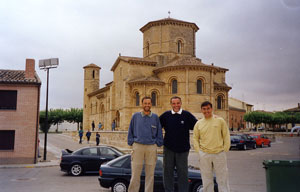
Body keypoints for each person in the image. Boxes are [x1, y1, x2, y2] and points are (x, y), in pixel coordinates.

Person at [159, 96, 198, 192]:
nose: (176, 105)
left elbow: (198, 126)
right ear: (171, 104)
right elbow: (155, 127)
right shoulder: (165, 115)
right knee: (167, 172)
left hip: (183, 150)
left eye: (178, 103)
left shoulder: (187, 115)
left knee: (183, 173)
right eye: (174, 103)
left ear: (181, 103)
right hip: (169, 149)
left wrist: (210, 118)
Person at [127, 96, 163, 192]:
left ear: (151, 104)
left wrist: (158, 143)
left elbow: (159, 131)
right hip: (138, 146)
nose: (147, 105)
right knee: (135, 174)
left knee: (150, 175)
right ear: (142, 104)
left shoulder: (155, 117)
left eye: (149, 103)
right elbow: (130, 130)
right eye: (145, 103)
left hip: (151, 147)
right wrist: (131, 142)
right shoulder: (135, 116)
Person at [193, 101, 231, 192]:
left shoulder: (220, 121)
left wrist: (225, 149)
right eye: (204, 109)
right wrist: (199, 152)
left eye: (208, 108)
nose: (206, 111)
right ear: (201, 110)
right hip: (204, 155)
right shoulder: (198, 123)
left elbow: (226, 135)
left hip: (219, 154)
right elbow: (195, 138)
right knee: (206, 180)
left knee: (222, 178)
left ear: (212, 109)